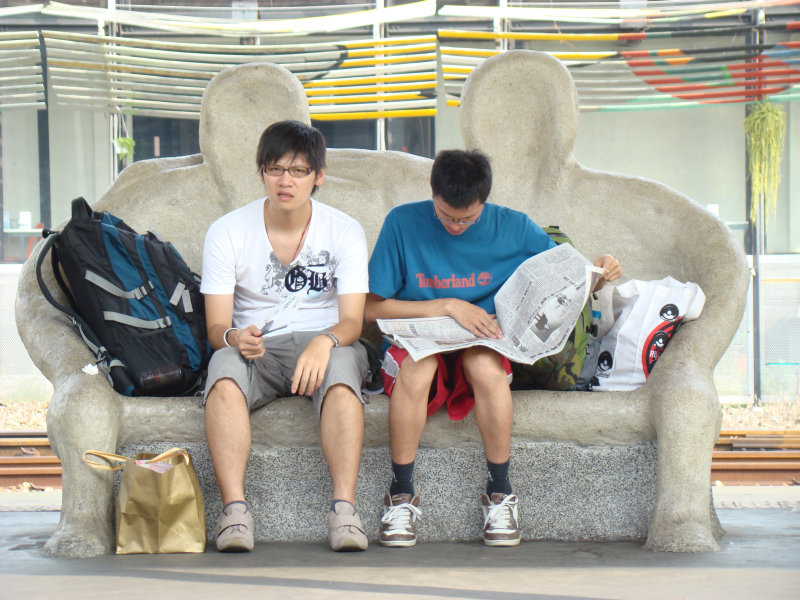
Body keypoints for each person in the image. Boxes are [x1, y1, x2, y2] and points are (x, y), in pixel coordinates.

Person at [365, 149, 621, 547]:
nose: (456, 226)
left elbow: (564, 283)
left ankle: (500, 493)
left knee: (485, 366)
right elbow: (371, 307)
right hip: (417, 339)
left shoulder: (514, 227)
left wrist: (600, 274)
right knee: (418, 369)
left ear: (484, 202)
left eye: (467, 218)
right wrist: (449, 306)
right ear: (432, 194)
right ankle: (400, 493)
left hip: (482, 342)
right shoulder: (402, 222)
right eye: (447, 216)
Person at [201, 120, 370, 553]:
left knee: (344, 384)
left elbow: (354, 319)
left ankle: (344, 512)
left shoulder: (344, 230)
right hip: (258, 347)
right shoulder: (227, 231)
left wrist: (325, 340)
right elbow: (216, 326)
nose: (285, 181)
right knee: (222, 379)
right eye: (275, 169)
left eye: (298, 171)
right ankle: (235, 513)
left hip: (326, 342)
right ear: (261, 172)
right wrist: (236, 338)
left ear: (319, 175)